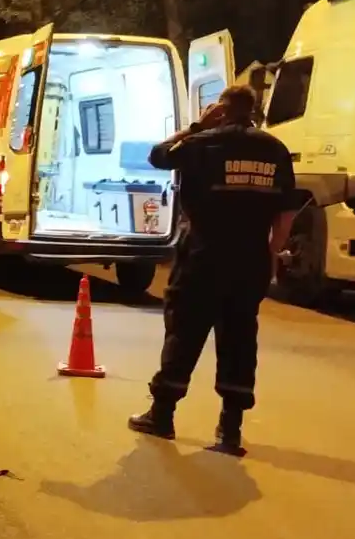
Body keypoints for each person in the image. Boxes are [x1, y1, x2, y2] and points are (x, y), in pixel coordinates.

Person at [127, 85, 297, 454]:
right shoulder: (275, 149)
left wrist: (193, 126)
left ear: (221, 109)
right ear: (255, 110)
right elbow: (286, 211)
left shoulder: (201, 143)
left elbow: (157, 156)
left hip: (203, 255)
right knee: (239, 337)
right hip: (250, 258)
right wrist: (272, 252)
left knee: (184, 332)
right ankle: (230, 430)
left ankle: (162, 415)